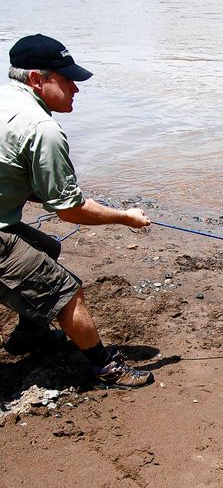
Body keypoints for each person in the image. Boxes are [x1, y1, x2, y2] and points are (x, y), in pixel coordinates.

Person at [0, 34, 153, 388]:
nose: (76, 89)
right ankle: (105, 366)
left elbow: (15, 171)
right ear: (38, 80)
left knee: (47, 249)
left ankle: (28, 336)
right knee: (66, 291)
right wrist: (125, 217)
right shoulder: (42, 129)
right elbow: (71, 211)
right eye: (67, 79)